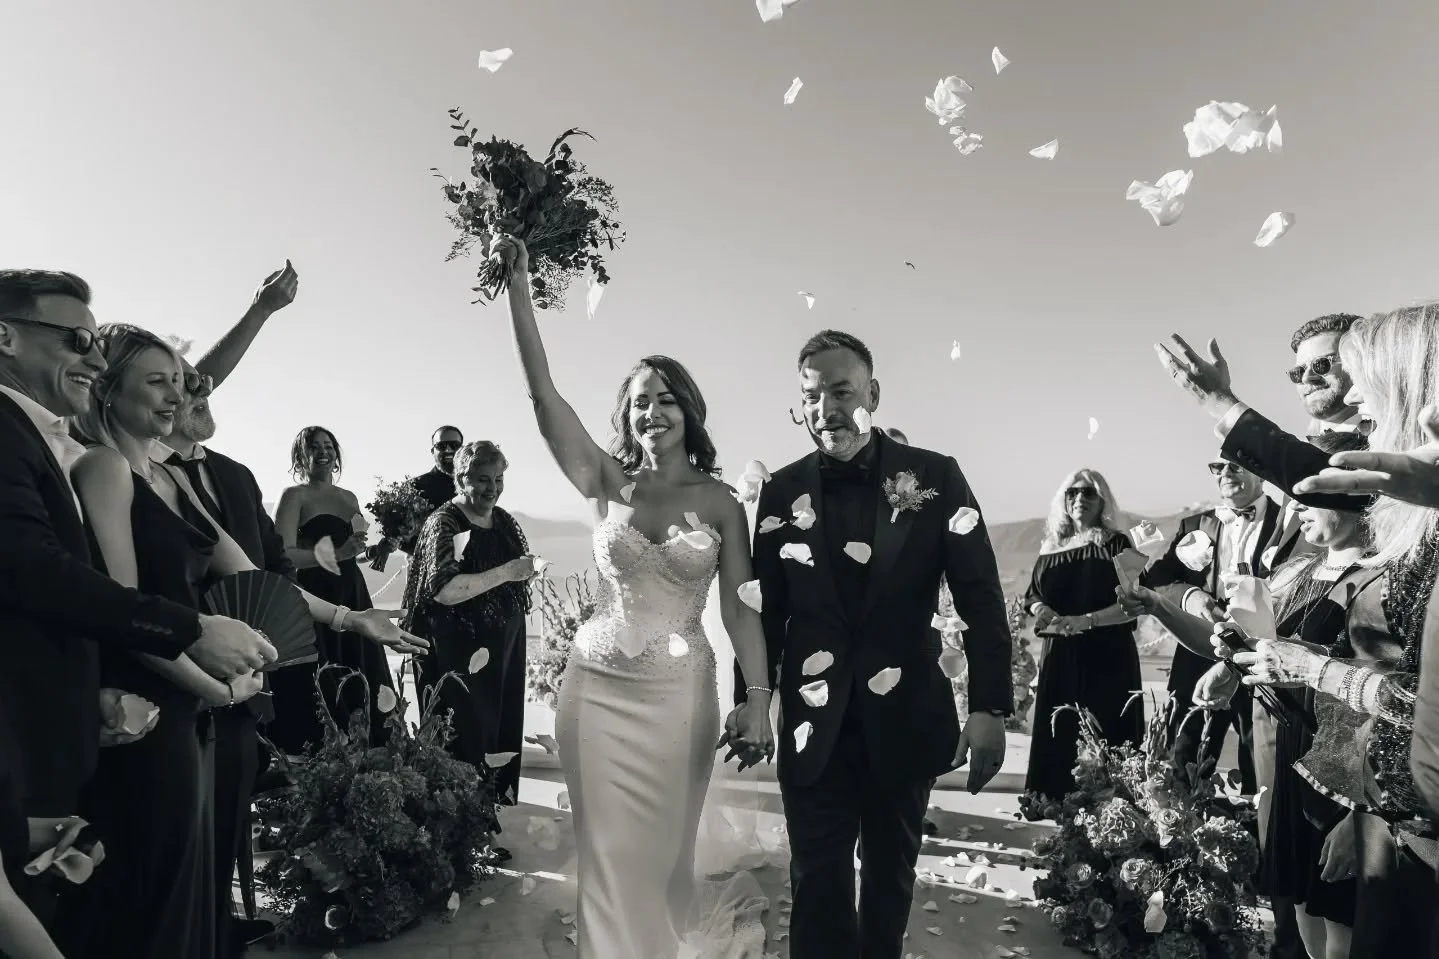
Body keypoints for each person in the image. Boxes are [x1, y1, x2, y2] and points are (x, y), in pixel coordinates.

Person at [493, 235, 776, 958]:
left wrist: (757, 697)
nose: (654, 412)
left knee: (669, 858)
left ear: (689, 409)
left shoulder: (718, 501)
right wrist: (519, 287)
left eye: (666, 399)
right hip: (593, 692)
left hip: (681, 697)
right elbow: (540, 394)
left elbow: (741, 604)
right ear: (625, 414)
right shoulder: (603, 481)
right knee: (606, 856)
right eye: (641, 402)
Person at [1155, 311, 1439, 956]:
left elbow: (1413, 696)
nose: (1349, 394)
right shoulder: (1404, 507)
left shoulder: (1407, 520)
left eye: (1348, 370)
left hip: (1401, 812)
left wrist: (1302, 667)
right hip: (1362, 788)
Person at [0, 271, 276, 924]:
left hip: (101, 728)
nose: (91, 359)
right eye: (75, 339)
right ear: (5, 337)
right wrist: (191, 636)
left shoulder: (49, 440)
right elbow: (35, 573)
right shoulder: (50, 448)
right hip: (76, 733)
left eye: (96, 343)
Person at [741, 329, 1012, 959]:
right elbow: (764, 610)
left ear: (874, 393)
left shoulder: (937, 477)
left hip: (906, 714)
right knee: (816, 884)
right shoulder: (781, 492)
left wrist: (988, 708)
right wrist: (752, 701)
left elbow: (980, 599)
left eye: (841, 391)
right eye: (811, 395)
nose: (825, 409)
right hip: (814, 721)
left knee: (890, 884)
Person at [158, 351, 292, 955]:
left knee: (233, 804)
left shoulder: (235, 475)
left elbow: (265, 561)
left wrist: (284, 630)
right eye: (185, 384)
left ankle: (220, 924)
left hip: (248, 676)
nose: (200, 391)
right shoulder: (129, 471)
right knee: (184, 827)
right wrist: (260, 310)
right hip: (173, 673)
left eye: (201, 383)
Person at [402, 440, 535, 837]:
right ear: (461, 479)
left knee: (499, 724)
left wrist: (527, 569)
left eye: (498, 479)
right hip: (457, 648)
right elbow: (442, 589)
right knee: (464, 730)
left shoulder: (506, 520)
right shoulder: (444, 522)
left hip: (505, 645)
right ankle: (456, 824)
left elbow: (520, 566)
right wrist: (510, 571)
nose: (492, 488)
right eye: (482, 479)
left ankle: (487, 812)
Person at [1141, 457, 1283, 794]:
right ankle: (1182, 833)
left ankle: (1255, 834)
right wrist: (1192, 597)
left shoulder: (1286, 522)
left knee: (1261, 760)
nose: (1225, 473)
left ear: (1261, 472)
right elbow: (1158, 579)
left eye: (1235, 465)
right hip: (1200, 652)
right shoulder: (1195, 525)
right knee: (1185, 755)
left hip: (1261, 654)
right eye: (1217, 467)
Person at [268, 427, 407, 755]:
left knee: (360, 670)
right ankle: (322, 752)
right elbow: (282, 554)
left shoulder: (350, 499)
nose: (323, 452)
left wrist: (378, 550)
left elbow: (352, 552)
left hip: (352, 591)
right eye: (314, 447)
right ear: (300, 455)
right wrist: (339, 554)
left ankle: (366, 751)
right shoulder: (294, 496)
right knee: (322, 674)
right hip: (315, 593)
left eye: (328, 446)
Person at [1023, 468, 1142, 801]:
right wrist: (1040, 610)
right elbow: (1032, 594)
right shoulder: (1050, 545)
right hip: (1059, 655)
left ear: (1103, 500)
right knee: (1057, 732)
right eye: (1072, 493)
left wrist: (1087, 620)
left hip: (1108, 656)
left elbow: (1137, 603)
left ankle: (1111, 819)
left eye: (1088, 492)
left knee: (1106, 739)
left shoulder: (1121, 543)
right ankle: (1053, 806)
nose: (1079, 499)